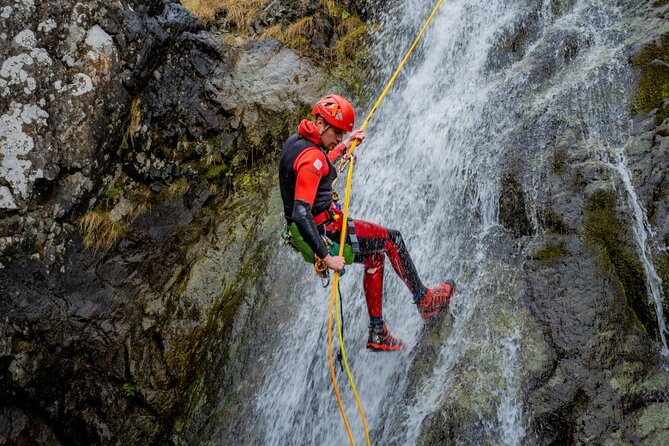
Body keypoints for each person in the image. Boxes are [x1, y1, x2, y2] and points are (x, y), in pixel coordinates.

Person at [279, 94, 456, 352]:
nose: (339, 137)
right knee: (391, 240)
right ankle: (425, 300)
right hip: (325, 231)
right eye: (337, 132)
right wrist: (327, 257)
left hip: (305, 235)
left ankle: (377, 331)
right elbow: (301, 211)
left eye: (343, 133)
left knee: (374, 258)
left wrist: (345, 147)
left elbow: (317, 168)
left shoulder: (296, 143)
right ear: (319, 122)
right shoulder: (314, 159)